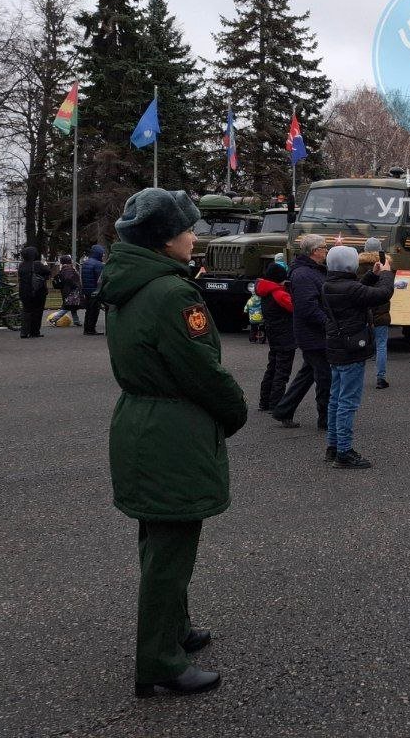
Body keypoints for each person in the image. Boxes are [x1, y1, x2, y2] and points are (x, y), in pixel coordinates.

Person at [98, 187, 247, 698]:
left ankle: (174, 630)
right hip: (171, 429)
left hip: (142, 423)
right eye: (187, 229)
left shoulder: (133, 283)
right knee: (171, 550)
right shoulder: (171, 293)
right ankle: (159, 661)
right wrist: (235, 410)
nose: (194, 236)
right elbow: (201, 371)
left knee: (159, 537)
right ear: (164, 240)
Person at [320, 245, 395, 468]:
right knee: (347, 402)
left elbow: (355, 292)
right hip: (352, 349)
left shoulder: (329, 285)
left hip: (336, 347)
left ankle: (333, 447)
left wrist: (372, 275)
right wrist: (387, 273)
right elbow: (383, 293)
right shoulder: (349, 288)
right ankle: (344, 451)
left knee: (335, 400)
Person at [272, 234, 331, 430]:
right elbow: (308, 308)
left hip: (313, 334)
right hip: (313, 335)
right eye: (324, 247)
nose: (326, 250)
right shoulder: (304, 274)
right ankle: (325, 419)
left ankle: (283, 410)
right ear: (315, 251)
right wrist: (329, 324)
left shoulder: (310, 271)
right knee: (324, 377)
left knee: (307, 374)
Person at [255, 263, 295, 412]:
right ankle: (276, 403)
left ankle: (264, 401)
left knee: (272, 367)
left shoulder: (265, 291)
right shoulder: (279, 293)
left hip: (273, 333)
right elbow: (293, 307)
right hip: (285, 334)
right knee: (282, 371)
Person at [358, 237, 392, 389]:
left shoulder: (357, 265)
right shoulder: (385, 264)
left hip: (363, 312)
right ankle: (381, 377)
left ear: (365, 248)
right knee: (381, 344)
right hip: (381, 311)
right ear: (380, 249)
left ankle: (357, 378)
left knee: (360, 345)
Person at [17, 246, 51, 338]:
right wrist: (45, 264)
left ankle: (24, 332)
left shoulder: (21, 265)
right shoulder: (38, 264)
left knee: (26, 311)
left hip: (24, 291)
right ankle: (34, 331)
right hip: (37, 291)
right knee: (37, 311)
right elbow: (48, 272)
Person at [82, 244, 106, 335]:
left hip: (87, 290)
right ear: (98, 253)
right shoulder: (98, 264)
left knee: (88, 310)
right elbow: (100, 279)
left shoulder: (86, 263)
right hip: (95, 291)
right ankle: (91, 329)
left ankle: (87, 328)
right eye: (102, 254)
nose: (103, 255)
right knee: (94, 311)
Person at [54, 255, 83, 327]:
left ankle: (76, 321)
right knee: (68, 306)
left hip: (66, 290)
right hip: (71, 291)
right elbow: (69, 278)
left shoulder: (64, 269)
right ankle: (54, 319)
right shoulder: (68, 269)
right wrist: (75, 285)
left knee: (73, 306)